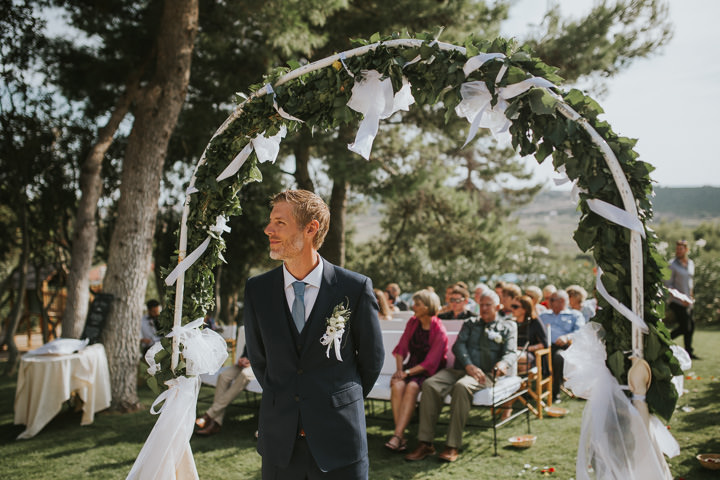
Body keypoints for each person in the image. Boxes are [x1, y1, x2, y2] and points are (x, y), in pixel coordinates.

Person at [244, 190, 384, 480]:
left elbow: (371, 361)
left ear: (310, 229)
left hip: (340, 440)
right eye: (271, 221)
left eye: (280, 223)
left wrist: (335, 403)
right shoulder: (257, 290)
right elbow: (260, 361)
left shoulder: (354, 288)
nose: (268, 229)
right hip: (280, 444)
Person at [405, 290, 517, 463]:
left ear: (498, 307)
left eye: (488, 305)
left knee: (462, 387)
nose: (484, 308)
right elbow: (458, 346)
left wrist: (503, 364)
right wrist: (468, 365)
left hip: (485, 374)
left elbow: (510, 352)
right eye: (482, 305)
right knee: (430, 384)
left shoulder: (507, 327)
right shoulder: (470, 323)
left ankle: (452, 445)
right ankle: (425, 443)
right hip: (459, 369)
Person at [385, 289, 448, 452]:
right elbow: (400, 349)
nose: (413, 307)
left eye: (417, 304)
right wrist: (400, 371)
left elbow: (431, 363)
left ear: (427, 308)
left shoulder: (440, 331)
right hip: (410, 367)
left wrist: (406, 373)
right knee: (398, 385)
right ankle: (400, 437)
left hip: (429, 371)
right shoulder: (413, 322)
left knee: (412, 387)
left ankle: (398, 435)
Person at [500, 294, 548, 419]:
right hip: (516, 360)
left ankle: (507, 405)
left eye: (515, 306)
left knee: (511, 358)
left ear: (525, 309)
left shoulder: (535, 322)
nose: (512, 309)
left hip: (530, 357)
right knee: (509, 360)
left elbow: (544, 344)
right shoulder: (511, 323)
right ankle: (515, 389)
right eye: (512, 306)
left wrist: (527, 348)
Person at [195, 347, 254, 436]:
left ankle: (209, 415)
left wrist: (253, 362)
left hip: (260, 365)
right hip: (246, 363)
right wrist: (243, 358)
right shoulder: (254, 332)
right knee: (223, 376)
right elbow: (248, 347)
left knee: (244, 375)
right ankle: (216, 422)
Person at [539, 290, 585, 401]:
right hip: (544, 347)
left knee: (558, 357)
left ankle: (555, 392)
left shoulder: (575, 315)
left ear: (562, 301)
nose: (547, 302)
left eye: (551, 299)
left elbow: (580, 332)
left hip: (564, 347)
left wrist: (567, 337)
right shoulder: (543, 315)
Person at [665, 239, 698, 359]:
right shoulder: (671, 264)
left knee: (691, 327)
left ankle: (689, 352)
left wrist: (691, 295)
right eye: (677, 249)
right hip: (676, 301)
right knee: (685, 327)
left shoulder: (691, 264)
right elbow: (668, 284)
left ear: (686, 250)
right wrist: (680, 297)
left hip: (689, 301)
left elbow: (690, 281)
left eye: (681, 249)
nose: (678, 251)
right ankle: (664, 341)